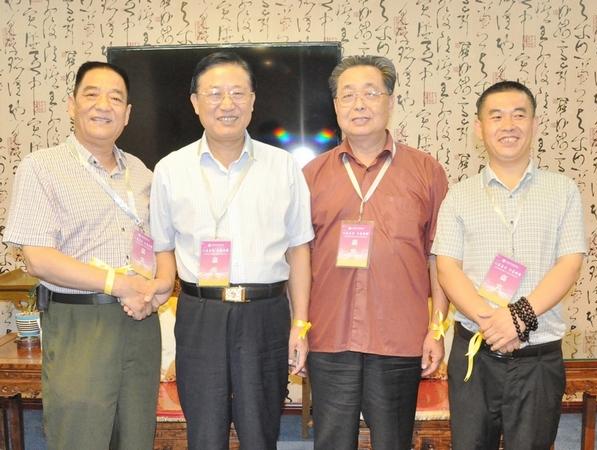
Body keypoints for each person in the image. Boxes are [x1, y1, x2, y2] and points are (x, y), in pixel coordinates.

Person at [149, 51, 313, 450]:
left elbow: (299, 249)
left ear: (252, 101)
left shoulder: (283, 167)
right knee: (204, 433)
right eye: (214, 93)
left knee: (261, 431)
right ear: (195, 102)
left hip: (265, 314)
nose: (227, 104)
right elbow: (163, 247)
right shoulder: (170, 169)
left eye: (238, 93)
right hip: (201, 314)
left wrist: (300, 324)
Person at [4, 61, 169, 450]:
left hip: (140, 323)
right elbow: (38, 259)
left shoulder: (142, 173)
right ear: (71, 105)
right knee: (81, 437)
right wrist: (119, 284)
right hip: (81, 323)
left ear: (127, 114)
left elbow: (163, 243)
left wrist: (160, 285)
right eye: (91, 94)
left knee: (136, 436)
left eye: (116, 98)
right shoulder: (42, 168)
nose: (103, 105)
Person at [302, 55, 449, 450]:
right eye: (347, 95)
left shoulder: (426, 171)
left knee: (393, 441)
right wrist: (297, 326)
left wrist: (436, 329)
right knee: (331, 442)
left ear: (391, 101)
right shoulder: (311, 176)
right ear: (336, 106)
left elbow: (439, 258)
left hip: (399, 336)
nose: (359, 104)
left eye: (370, 93)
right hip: (330, 335)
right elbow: (298, 258)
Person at [432, 80, 586, 450]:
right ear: (479, 127)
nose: (508, 125)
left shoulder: (563, 190)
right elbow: (447, 268)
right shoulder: (459, 195)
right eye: (496, 116)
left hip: (538, 357)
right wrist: (492, 323)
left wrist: (518, 317)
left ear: (534, 124)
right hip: (475, 355)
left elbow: (569, 263)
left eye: (519, 115)